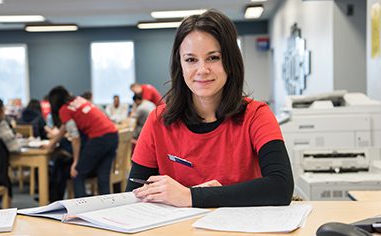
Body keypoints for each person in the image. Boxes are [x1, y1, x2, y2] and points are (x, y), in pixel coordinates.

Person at [126, 9, 294, 208]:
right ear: (180, 66)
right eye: (190, 59)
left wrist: (192, 196)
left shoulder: (256, 115)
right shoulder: (158, 120)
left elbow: (281, 187)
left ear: (230, 62)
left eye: (213, 58)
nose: (202, 70)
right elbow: (135, 194)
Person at [47, 86, 118, 197]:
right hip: (113, 135)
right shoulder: (78, 100)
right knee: (103, 176)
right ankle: (107, 209)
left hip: (98, 138)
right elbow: (65, 127)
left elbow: (75, 138)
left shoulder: (64, 109)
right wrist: (52, 143)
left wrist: (75, 162)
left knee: (77, 174)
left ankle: (81, 209)